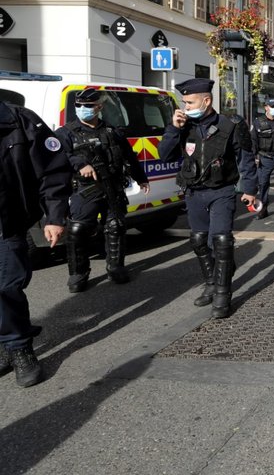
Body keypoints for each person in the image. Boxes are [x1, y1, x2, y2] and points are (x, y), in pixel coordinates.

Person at [158, 79, 258, 319]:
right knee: (200, 241)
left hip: (222, 191)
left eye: (190, 102)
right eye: (184, 102)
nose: (185, 106)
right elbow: (164, 156)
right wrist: (173, 129)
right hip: (193, 192)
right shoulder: (182, 126)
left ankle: (223, 295)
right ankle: (212, 283)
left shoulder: (231, 125)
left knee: (222, 241)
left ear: (206, 101)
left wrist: (250, 189)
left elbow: (246, 159)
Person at [0, 100, 72, 387]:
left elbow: (53, 170)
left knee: (6, 287)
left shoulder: (18, 120)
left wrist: (54, 217)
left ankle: (19, 348)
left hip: (7, 223)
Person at [54, 89, 151, 292]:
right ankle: (78, 273)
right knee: (78, 229)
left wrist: (141, 178)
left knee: (116, 226)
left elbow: (129, 156)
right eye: (79, 106)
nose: (82, 109)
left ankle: (115, 267)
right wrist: (79, 164)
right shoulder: (66, 133)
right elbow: (57, 156)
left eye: (88, 106)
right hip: (85, 190)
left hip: (113, 187)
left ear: (99, 107)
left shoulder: (112, 132)